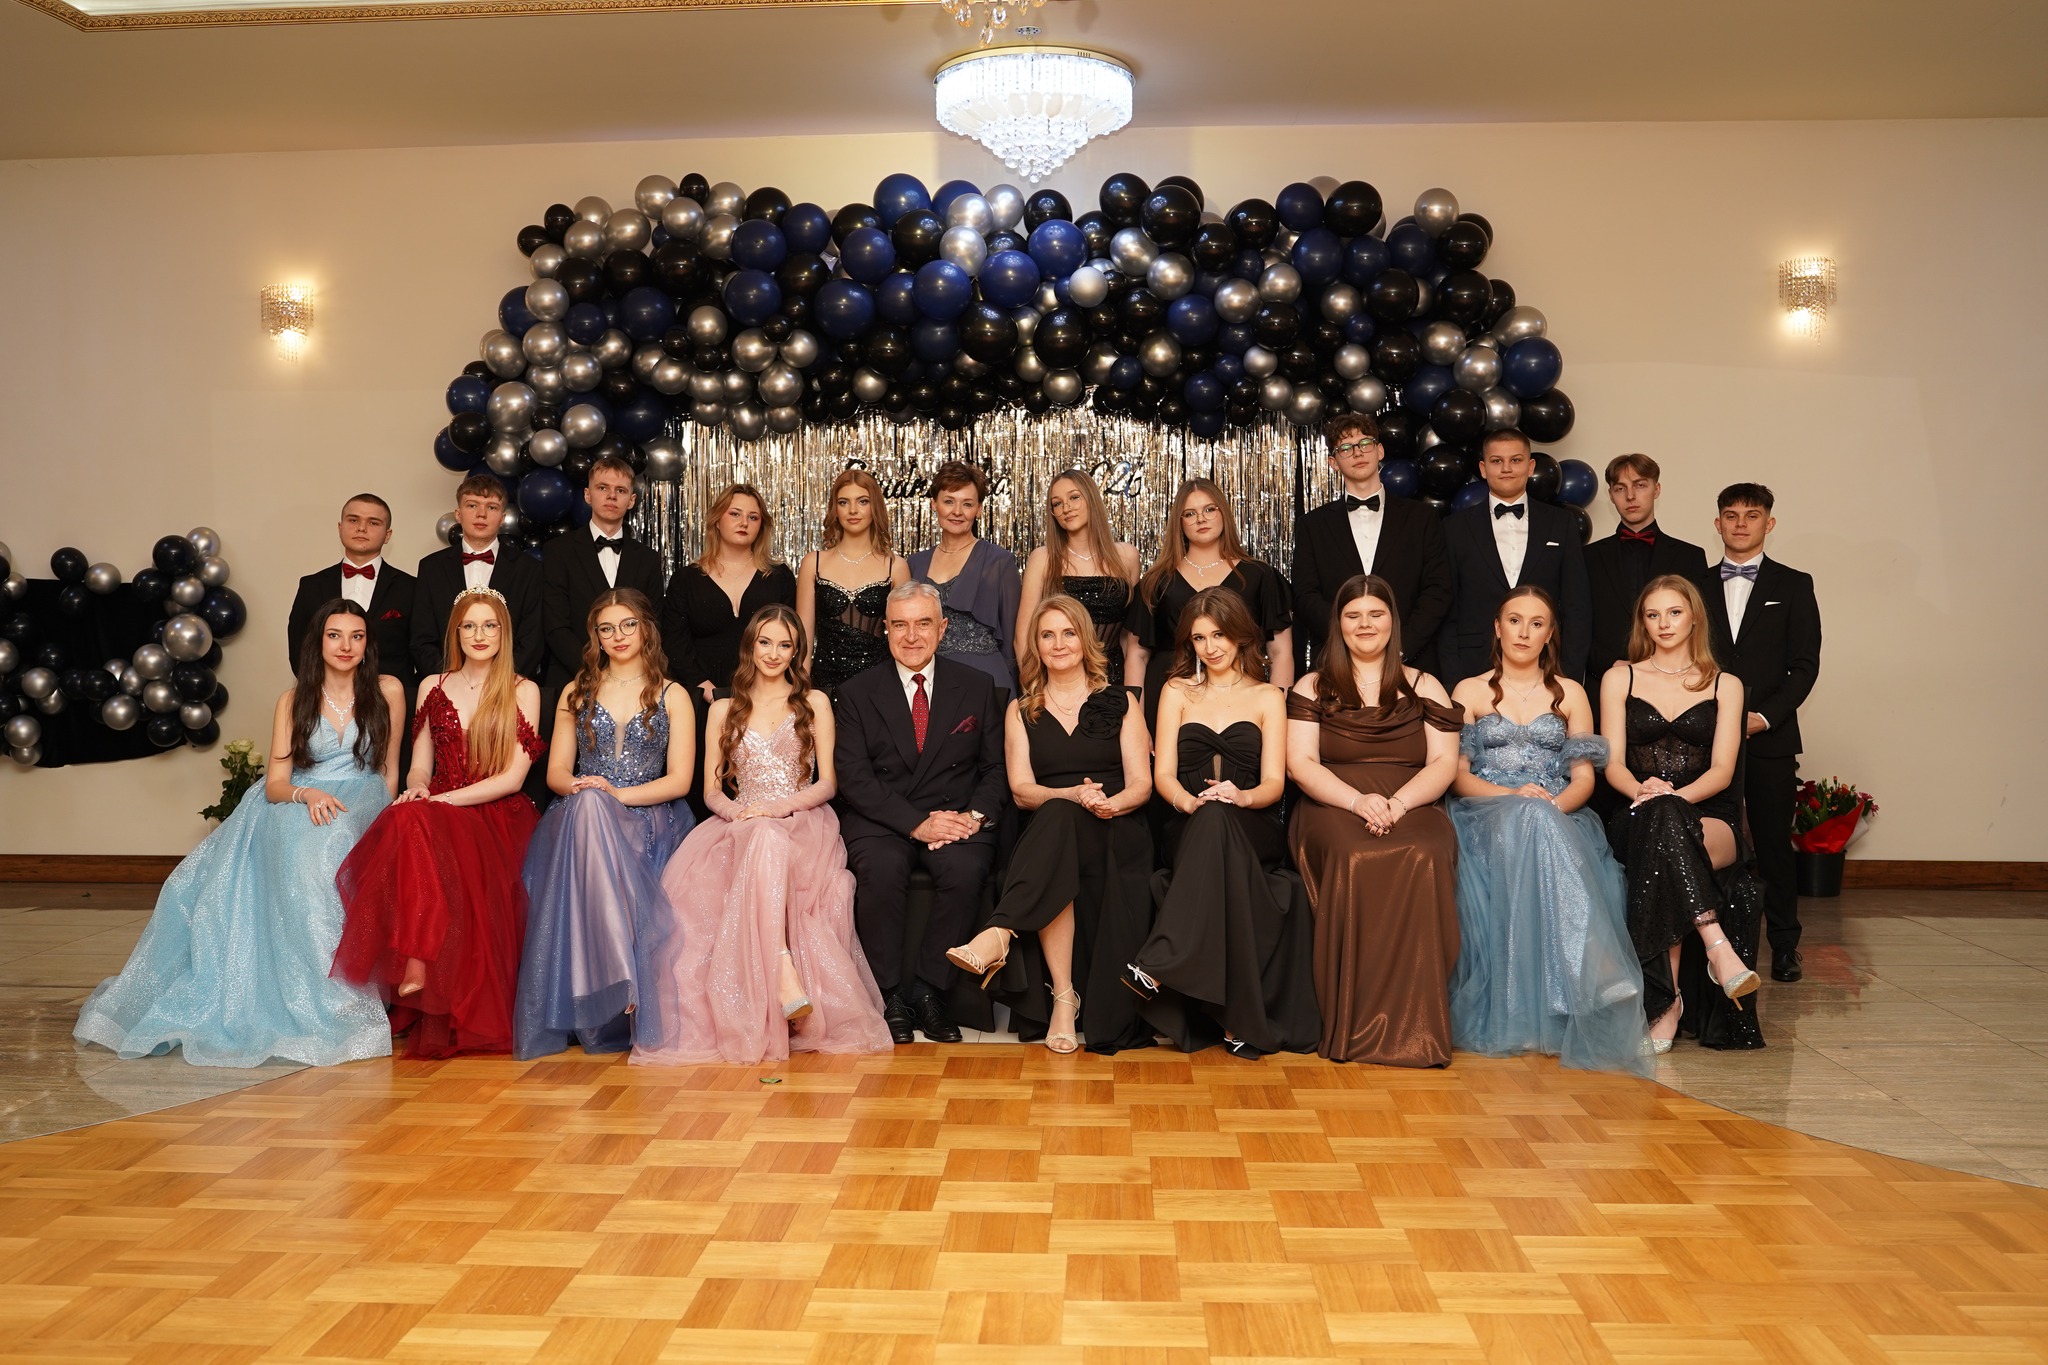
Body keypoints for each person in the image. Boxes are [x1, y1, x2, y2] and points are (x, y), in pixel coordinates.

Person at [75, 600, 403, 1068]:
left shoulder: (388, 690)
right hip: (300, 797)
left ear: (368, 644)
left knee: (333, 841)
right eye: (335, 635)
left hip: (363, 795)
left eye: (357, 636)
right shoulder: (293, 700)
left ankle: (344, 997)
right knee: (298, 853)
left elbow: (388, 769)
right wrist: (307, 795)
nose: (346, 645)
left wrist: (383, 818)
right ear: (318, 642)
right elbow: (276, 783)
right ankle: (310, 997)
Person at [640, 605, 893, 1065]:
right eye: (765, 642)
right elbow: (710, 791)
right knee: (757, 842)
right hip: (740, 822)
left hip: (802, 822)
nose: (774, 653)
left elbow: (828, 783)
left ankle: (778, 968)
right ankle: (781, 970)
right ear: (750, 646)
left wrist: (776, 809)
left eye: (784, 645)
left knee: (770, 838)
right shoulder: (723, 707)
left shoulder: (814, 702)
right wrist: (740, 813)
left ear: (796, 651)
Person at [333, 588, 546, 1057]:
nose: (479, 635)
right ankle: (417, 959)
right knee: (404, 815)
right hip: (438, 807)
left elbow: (512, 778)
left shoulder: (522, 689)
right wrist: (418, 788)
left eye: (489, 625)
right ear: (456, 633)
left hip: (494, 812)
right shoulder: (433, 684)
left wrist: (443, 801)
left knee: (416, 823)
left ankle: (418, 961)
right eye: (469, 626)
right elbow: (419, 766)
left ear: (504, 633)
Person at [1445, 587, 1649, 1075]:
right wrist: (1516, 799)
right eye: (1514, 620)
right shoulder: (1468, 691)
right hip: (1484, 812)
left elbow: (1584, 779)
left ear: (1550, 634)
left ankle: (1568, 991)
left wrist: (1550, 809)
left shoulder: (1571, 692)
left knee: (1537, 823)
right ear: (1497, 628)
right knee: (1528, 819)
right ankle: (1599, 971)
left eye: (1537, 623)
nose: (1524, 632)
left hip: (1559, 814)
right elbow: (1457, 775)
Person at [945, 596, 1156, 1054]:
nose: (1059, 644)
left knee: (1058, 824)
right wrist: (1072, 795)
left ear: (1085, 640)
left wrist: (1108, 804)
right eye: (1047, 635)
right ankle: (1062, 995)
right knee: (1058, 817)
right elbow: (1022, 790)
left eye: (1068, 633)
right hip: (1053, 827)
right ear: (1036, 646)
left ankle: (1002, 934)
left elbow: (1142, 784)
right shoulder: (1021, 710)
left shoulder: (1122, 701)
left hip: (1115, 827)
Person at [1122, 588, 1318, 1060]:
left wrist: (1240, 796)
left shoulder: (1269, 696)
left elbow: (1275, 783)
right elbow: (1163, 775)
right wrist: (1190, 804)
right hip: (1188, 824)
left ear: (1240, 635)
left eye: (1220, 635)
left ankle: (1160, 961)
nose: (1210, 647)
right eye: (1199, 638)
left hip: (1253, 824)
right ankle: (1235, 1019)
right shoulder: (1176, 691)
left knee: (1220, 816)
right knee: (1210, 818)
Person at [1286, 575, 1464, 1067]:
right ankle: (1352, 1021)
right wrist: (1357, 802)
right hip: (1332, 804)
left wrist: (1399, 805)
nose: (1365, 624)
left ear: (1392, 621)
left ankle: (1418, 1028)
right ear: (1338, 624)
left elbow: (1443, 763)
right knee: (1353, 853)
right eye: (1353, 615)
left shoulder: (1425, 685)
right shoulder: (1312, 686)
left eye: (1375, 614)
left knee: (1424, 853)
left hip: (1413, 802)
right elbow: (1301, 764)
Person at [514, 590, 695, 1060]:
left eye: (628, 625)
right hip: (581, 812)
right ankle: (618, 976)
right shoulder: (576, 691)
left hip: (646, 813)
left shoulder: (672, 693)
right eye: (606, 628)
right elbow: (556, 773)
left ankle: (614, 981)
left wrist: (615, 794)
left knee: (596, 806)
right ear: (594, 636)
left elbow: (679, 780)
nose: (618, 636)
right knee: (590, 808)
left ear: (646, 629)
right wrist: (587, 790)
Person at [832, 581, 1008, 1045]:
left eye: (923, 624)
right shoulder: (855, 692)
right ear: (885, 629)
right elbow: (854, 777)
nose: (912, 636)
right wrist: (915, 823)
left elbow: (995, 768)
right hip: (882, 817)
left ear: (942, 628)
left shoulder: (977, 686)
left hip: (956, 816)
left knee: (966, 869)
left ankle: (930, 991)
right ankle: (889, 995)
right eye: (900, 625)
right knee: (881, 869)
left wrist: (974, 818)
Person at [1600, 574, 1767, 1052]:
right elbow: (1612, 764)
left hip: (1710, 813)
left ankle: (1666, 1003)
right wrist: (1644, 793)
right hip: (1636, 809)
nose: (1664, 623)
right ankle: (1718, 950)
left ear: (1694, 617)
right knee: (1662, 828)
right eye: (1652, 615)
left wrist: (1673, 798)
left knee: (1668, 824)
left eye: (1674, 612)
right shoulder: (1620, 677)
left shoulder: (1726, 684)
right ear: (1642, 622)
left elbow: (1723, 771)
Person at [1699, 483, 1821, 984]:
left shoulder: (1795, 584)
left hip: (1769, 738)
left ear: (1769, 523)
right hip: (1704, 737)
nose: (1741, 524)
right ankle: (1714, 951)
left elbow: (1804, 666)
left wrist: (1763, 717)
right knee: (1706, 841)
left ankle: (1785, 947)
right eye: (1731, 515)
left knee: (1772, 845)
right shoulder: (1695, 585)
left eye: (1752, 515)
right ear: (1718, 524)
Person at [659, 483, 797, 817]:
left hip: (765, 698)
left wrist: (766, 693)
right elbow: (674, 640)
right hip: (702, 697)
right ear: (717, 520)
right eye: (735, 514)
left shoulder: (778, 576)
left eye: (753, 517)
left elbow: (792, 636)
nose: (744, 522)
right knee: (707, 789)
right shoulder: (686, 579)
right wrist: (705, 688)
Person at [1125, 478, 1294, 733]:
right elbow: (1136, 656)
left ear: (1223, 512)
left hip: (1241, 701)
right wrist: (1136, 724)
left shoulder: (1260, 576)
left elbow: (1280, 652)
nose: (1201, 519)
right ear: (1179, 523)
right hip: (1168, 704)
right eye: (1189, 514)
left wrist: (1276, 717)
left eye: (1209, 509)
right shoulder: (1155, 582)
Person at [1292, 413, 1453, 676]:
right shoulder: (1312, 525)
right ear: (1333, 462)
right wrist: (1347, 641)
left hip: (1411, 663)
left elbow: (1438, 590)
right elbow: (1305, 595)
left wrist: (1401, 649)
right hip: (1336, 664)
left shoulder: (1422, 517)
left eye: (1365, 444)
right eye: (1346, 448)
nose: (1357, 453)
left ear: (1380, 451)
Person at [1439, 429, 1591, 688]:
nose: (1506, 468)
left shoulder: (1561, 523)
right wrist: (1456, 680)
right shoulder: (1454, 528)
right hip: (1473, 668)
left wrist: (1568, 678)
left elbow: (1577, 606)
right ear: (1483, 469)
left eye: (1516, 460)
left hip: (1547, 668)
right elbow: (1447, 609)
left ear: (1530, 467)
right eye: (1497, 461)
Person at [540, 456, 666, 697]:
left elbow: (652, 625)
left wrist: (623, 673)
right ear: (588, 495)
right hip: (572, 677)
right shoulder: (558, 551)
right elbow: (555, 626)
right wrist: (597, 671)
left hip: (635, 682)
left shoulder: (648, 558)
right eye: (602, 488)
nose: (611, 496)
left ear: (631, 500)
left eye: (620, 490)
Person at [1583, 454, 1710, 684]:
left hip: (1675, 682)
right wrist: (1610, 664)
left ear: (1656, 489)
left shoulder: (1690, 556)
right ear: (1611, 495)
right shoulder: (1587, 557)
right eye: (1620, 488)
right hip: (1604, 681)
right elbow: (1574, 624)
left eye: (1640, 485)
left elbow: (1700, 624)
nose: (1630, 496)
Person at [1015, 469, 1142, 690]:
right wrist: (1036, 689)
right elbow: (1023, 637)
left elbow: (1130, 638)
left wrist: (1132, 695)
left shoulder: (1127, 557)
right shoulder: (1042, 559)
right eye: (1057, 503)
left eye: (1074, 497)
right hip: (1057, 679)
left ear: (1091, 499)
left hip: (1112, 677)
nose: (1066, 508)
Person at [413, 474, 544, 682]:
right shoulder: (431, 567)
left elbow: (532, 639)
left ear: (502, 518)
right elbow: (422, 638)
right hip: (445, 684)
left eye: (491, 507)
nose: (481, 514)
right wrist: (451, 682)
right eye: (472, 505)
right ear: (458, 514)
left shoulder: (528, 569)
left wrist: (499, 682)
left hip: (508, 685)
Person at [288, 493, 417, 699]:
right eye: (353, 520)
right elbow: (299, 650)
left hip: (391, 703)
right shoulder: (311, 586)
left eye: (373, 522)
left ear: (388, 535)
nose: (361, 528)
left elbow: (421, 649)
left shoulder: (411, 588)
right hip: (324, 701)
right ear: (340, 528)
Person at [909, 460, 1022, 692]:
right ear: (934, 504)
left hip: (986, 682)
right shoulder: (914, 564)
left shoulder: (999, 562)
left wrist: (1013, 695)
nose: (957, 512)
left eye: (967, 504)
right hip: (928, 683)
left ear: (979, 509)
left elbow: (1014, 638)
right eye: (949, 501)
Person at [797, 468, 911, 695]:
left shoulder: (896, 566)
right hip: (825, 683)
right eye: (843, 502)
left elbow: (904, 637)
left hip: (879, 684)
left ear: (874, 506)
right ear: (835, 509)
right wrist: (800, 692)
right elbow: (804, 639)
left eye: (862, 501)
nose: (852, 510)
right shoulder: (813, 563)